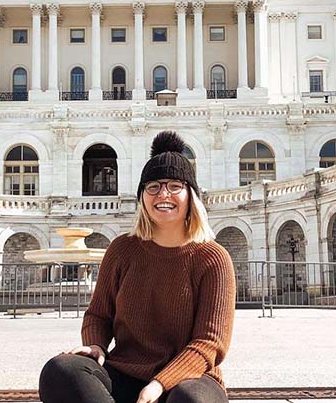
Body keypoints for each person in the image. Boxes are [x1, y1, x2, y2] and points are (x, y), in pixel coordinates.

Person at [39, 131, 236, 403]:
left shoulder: (213, 258)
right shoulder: (122, 249)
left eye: (174, 185)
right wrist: (95, 344)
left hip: (191, 379)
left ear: (191, 195)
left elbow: (209, 344)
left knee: (190, 399)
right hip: (125, 372)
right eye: (152, 186)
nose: (162, 194)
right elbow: (98, 314)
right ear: (142, 196)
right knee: (61, 369)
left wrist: (158, 383)